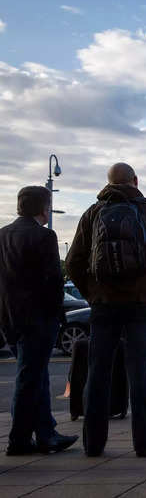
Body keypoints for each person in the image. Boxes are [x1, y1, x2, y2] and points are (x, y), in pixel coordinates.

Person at [66, 163, 146, 457]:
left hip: (104, 304)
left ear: (108, 183)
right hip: (143, 303)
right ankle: (145, 442)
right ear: (136, 181)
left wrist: (92, 294)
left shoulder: (92, 214)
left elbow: (73, 262)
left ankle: (93, 443)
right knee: (140, 370)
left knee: (98, 371)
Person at [0, 186, 79, 456]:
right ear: (44, 208)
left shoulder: (3, 235)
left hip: (9, 318)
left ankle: (46, 433)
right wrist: (56, 314)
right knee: (29, 378)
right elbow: (53, 281)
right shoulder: (44, 236)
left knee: (35, 375)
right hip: (37, 318)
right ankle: (20, 439)